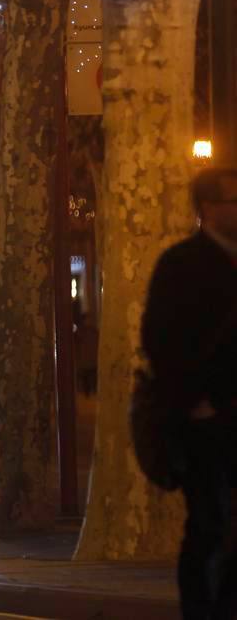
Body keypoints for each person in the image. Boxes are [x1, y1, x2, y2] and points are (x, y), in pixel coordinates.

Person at [141, 167, 237, 619]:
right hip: (205, 423)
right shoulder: (180, 265)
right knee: (208, 525)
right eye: (229, 202)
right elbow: (160, 341)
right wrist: (198, 404)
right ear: (206, 210)